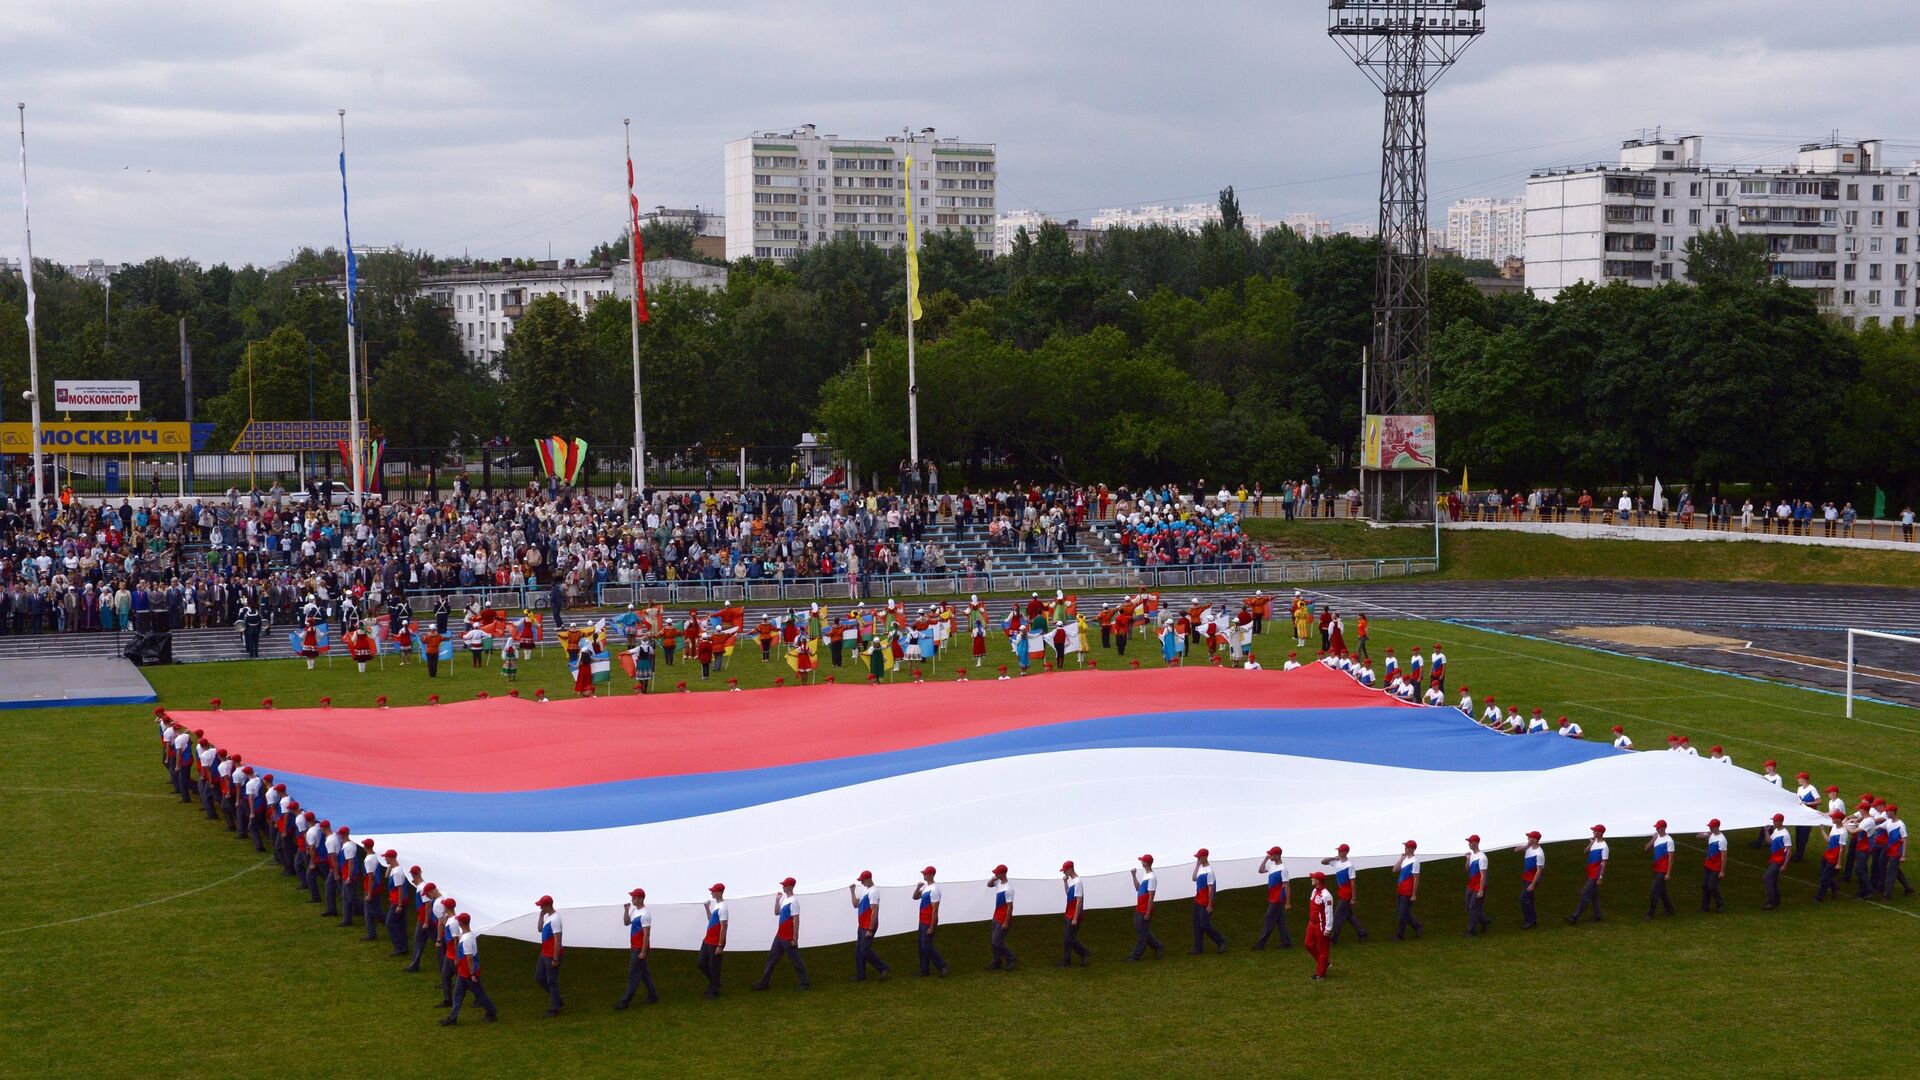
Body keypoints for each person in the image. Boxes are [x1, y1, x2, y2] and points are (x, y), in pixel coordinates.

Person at [752, 877, 810, 991]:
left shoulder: (794, 902)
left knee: (795, 959)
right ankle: (764, 983)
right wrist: (777, 900)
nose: (783, 886)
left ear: (790, 886)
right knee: (771, 958)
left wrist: (795, 938)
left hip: (788, 937)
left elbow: (796, 921)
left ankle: (804, 983)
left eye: (785, 885)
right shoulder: (785, 899)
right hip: (780, 935)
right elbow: (776, 912)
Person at [440, 913, 498, 1025]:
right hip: (464, 972)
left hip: (468, 972)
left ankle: (492, 1013)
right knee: (458, 995)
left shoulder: (466, 940)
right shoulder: (469, 935)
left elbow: (469, 958)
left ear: (461, 923)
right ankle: (452, 1017)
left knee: (480, 994)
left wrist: (472, 974)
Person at [615, 888, 659, 1008]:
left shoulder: (645, 914)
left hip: (639, 948)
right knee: (644, 973)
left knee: (633, 974)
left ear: (640, 899)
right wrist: (626, 910)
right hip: (635, 947)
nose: (632, 899)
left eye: (634, 898)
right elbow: (626, 922)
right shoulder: (635, 910)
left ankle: (625, 1001)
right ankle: (653, 996)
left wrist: (643, 951)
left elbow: (647, 934)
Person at [1319, 844, 1367, 943]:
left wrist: (1353, 898)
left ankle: (1333, 938)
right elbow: (1323, 862)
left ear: (1345, 852)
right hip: (1342, 892)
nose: (1338, 852)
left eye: (1340, 851)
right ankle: (1362, 933)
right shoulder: (1336, 862)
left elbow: (1353, 882)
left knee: (1337, 916)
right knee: (1349, 916)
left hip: (1346, 894)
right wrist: (1333, 858)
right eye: (1338, 851)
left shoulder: (1349, 866)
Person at [848, 870, 890, 981]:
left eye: (862, 880)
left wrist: (870, 929)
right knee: (859, 951)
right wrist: (852, 892)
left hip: (868, 925)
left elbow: (874, 911)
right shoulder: (864, 890)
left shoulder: (874, 892)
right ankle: (860, 975)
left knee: (865, 949)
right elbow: (855, 904)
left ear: (868, 879)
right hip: (862, 925)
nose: (861, 883)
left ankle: (883, 967)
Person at [1565, 824, 1608, 924]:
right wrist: (1591, 843)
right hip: (1591, 873)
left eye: (1595, 831)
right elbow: (1585, 851)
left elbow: (1604, 863)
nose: (1593, 832)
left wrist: (1600, 877)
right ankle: (1598, 916)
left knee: (1584, 893)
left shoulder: (1604, 847)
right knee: (1593, 895)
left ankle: (1574, 917)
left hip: (1595, 875)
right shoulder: (1595, 842)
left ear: (1600, 833)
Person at [912, 867, 950, 977]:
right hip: (922, 921)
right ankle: (924, 970)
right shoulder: (925, 887)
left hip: (928, 921)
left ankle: (942, 966)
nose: (923, 875)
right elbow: (915, 897)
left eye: (925, 873)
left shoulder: (935, 889)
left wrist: (932, 927)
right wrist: (918, 888)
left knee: (927, 946)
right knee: (921, 946)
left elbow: (935, 910)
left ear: (931, 875)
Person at [1253, 846, 1292, 950]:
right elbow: (1260, 870)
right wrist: (1266, 859)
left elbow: (1287, 885)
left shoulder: (1283, 869)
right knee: (1280, 921)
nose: (1269, 855)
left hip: (1277, 899)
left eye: (1271, 854)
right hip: (1272, 897)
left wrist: (1287, 902)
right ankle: (1286, 942)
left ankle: (1260, 944)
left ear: (1278, 856)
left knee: (1268, 918)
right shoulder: (1271, 866)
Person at [1127, 854, 1164, 961]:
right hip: (1140, 908)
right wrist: (1134, 876)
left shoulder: (1152, 878)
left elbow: (1151, 896)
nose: (1141, 862)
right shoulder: (1146, 875)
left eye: (1142, 861)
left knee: (1142, 935)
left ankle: (1135, 955)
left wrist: (1148, 912)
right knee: (1143, 931)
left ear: (1146, 863)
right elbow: (1138, 888)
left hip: (1144, 909)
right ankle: (1158, 946)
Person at [1190, 848, 1226, 953]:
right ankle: (1198, 947)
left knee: (1205, 925)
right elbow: (1193, 878)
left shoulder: (1209, 871)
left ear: (1205, 857)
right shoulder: (1201, 868)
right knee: (1196, 924)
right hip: (1198, 900)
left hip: (1205, 902)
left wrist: (1210, 905)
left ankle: (1221, 941)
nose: (1198, 859)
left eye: (1199, 857)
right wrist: (1197, 865)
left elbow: (1211, 889)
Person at [534, 895, 564, 1015]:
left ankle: (554, 1008)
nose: (540, 907)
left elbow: (558, 940)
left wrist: (555, 958)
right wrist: (541, 916)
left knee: (552, 981)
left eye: (541, 905)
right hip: (544, 953)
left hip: (551, 954)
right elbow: (540, 929)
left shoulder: (556, 919)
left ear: (547, 905)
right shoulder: (548, 917)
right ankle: (557, 999)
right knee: (539, 977)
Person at [697, 883, 729, 997]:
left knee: (714, 966)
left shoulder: (723, 908)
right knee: (701, 963)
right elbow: (711, 920)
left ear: (719, 893)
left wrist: (720, 945)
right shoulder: (717, 905)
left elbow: (723, 927)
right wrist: (707, 909)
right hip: (708, 940)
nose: (711, 893)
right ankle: (715, 983)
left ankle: (714, 990)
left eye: (713, 891)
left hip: (715, 942)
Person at [1059, 860, 1091, 967]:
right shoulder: (1072, 881)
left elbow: (1079, 900)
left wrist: (1075, 918)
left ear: (1070, 869)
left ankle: (1084, 953)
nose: (1064, 873)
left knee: (1070, 938)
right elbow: (1068, 893)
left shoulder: (1078, 882)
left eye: (1065, 871)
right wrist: (1065, 883)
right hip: (1069, 913)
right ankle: (1066, 960)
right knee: (1067, 939)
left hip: (1074, 914)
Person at [986, 864, 1017, 971]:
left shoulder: (1008, 889)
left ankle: (1011, 958)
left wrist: (1006, 922)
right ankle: (996, 962)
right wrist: (991, 880)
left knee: (996, 942)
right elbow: (989, 885)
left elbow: (1010, 907)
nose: (995, 874)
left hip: (1002, 919)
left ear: (1003, 874)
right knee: (994, 942)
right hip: (996, 917)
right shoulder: (998, 883)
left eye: (997, 873)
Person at [1391, 840, 1423, 941]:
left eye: (1407, 847)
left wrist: (1414, 894)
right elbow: (1395, 869)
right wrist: (1401, 859)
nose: (1405, 848)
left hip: (1407, 891)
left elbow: (1416, 879)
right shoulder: (1405, 860)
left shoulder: (1415, 862)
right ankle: (1417, 926)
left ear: (1411, 849)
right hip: (1401, 889)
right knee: (1402, 912)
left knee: (1402, 914)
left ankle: (1400, 935)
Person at [1304, 872, 1333, 981]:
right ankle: (1324, 963)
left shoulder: (1326, 895)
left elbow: (1329, 912)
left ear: (1318, 881)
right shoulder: (1314, 891)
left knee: (1323, 948)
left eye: (1313, 878)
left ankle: (1320, 973)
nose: (1311, 879)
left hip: (1321, 924)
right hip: (1312, 923)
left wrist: (1328, 928)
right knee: (1308, 944)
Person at [1644, 820, 1676, 918]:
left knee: (1654, 890)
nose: (1656, 829)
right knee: (1662, 891)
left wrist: (1668, 873)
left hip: (1662, 870)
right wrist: (1653, 840)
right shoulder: (1656, 838)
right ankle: (1669, 909)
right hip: (1656, 869)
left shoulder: (1669, 841)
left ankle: (1651, 913)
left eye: (1658, 827)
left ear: (1663, 828)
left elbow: (1671, 858)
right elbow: (1646, 848)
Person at [1815, 811, 1848, 902]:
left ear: (1838, 819)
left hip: (1833, 858)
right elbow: (1829, 840)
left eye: (1833, 818)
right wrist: (1822, 830)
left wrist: (1839, 863)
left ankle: (1819, 897)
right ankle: (1834, 887)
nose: (1832, 819)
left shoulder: (1843, 833)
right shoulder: (1834, 827)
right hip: (1827, 854)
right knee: (1823, 874)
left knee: (1825, 878)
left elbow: (1842, 848)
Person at [1514, 830, 1544, 928]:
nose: (1527, 838)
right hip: (1526, 877)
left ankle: (1529, 921)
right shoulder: (1528, 846)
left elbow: (1539, 871)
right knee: (1530, 899)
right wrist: (1526, 846)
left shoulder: (1539, 854)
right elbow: (1516, 850)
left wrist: (1532, 884)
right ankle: (1533, 919)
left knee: (1523, 898)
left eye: (1529, 837)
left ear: (1535, 840)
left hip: (1532, 879)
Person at [1463, 835, 1492, 936]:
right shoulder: (1472, 855)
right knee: (1469, 906)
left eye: (1470, 842)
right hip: (1471, 884)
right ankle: (1484, 921)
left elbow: (1483, 876)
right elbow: (1467, 869)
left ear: (1475, 843)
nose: (1469, 844)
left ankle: (1471, 931)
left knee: (1473, 908)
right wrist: (1467, 859)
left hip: (1478, 886)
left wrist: (1481, 890)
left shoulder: (1482, 858)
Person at [1762, 812, 1791, 909]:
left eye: (1775, 821)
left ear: (1780, 822)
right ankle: (1776, 900)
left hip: (1779, 860)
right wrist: (1766, 831)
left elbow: (1789, 850)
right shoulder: (1776, 831)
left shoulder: (1785, 835)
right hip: (1774, 859)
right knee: (1773, 880)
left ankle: (1770, 901)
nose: (1773, 822)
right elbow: (1769, 842)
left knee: (1767, 878)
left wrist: (1785, 865)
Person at [1699, 818, 1728, 912]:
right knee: (1705, 885)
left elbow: (1724, 856)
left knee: (1712, 886)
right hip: (1708, 864)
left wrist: (1722, 871)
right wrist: (1706, 834)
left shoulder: (1722, 840)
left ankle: (1720, 904)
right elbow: (1698, 836)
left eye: (1711, 827)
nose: (1710, 828)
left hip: (1716, 866)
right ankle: (1705, 907)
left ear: (1716, 827)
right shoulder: (1712, 835)